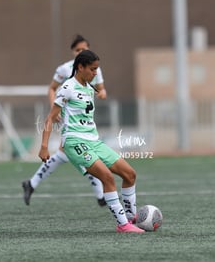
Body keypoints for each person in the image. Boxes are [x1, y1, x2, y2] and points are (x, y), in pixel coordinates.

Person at [38, 50, 144, 233]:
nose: (95, 73)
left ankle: (131, 217)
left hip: (94, 141)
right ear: (80, 67)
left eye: (97, 69)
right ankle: (123, 224)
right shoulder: (67, 87)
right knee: (107, 178)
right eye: (93, 69)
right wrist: (44, 147)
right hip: (74, 142)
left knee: (130, 174)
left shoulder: (89, 88)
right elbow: (50, 118)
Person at [22, 34, 107, 206]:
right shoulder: (64, 69)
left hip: (85, 118)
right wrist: (56, 108)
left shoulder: (94, 68)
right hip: (70, 117)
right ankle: (101, 196)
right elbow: (52, 89)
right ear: (72, 52)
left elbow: (100, 88)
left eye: (84, 49)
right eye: (78, 50)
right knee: (85, 155)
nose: (81, 52)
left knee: (66, 154)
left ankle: (32, 183)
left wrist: (102, 92)